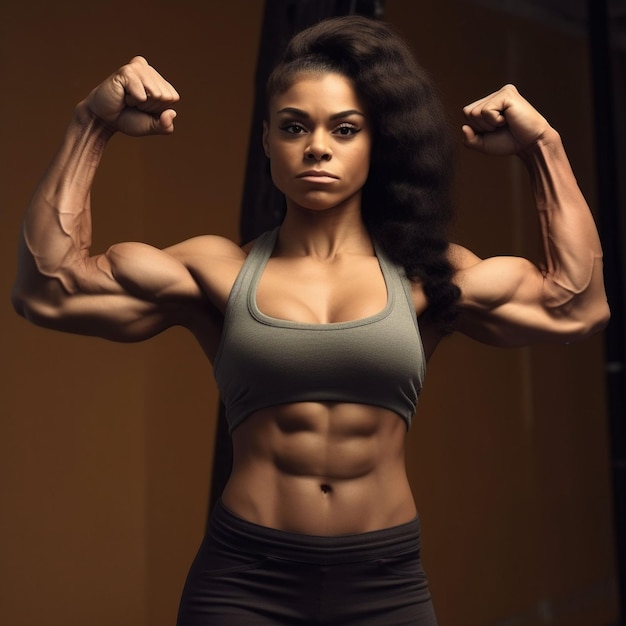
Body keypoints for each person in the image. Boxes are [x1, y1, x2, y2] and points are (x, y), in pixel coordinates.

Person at [11, 15, 609, 626]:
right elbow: (48, 288)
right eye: (295, 126)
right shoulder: (214, 272)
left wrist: (545, 147)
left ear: (378, 142)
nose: (317, 146)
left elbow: (578, 302)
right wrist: (91, 123)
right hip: (243, 579)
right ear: (267, 140)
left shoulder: (428, 275)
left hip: (386, 582)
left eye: (345, 129)